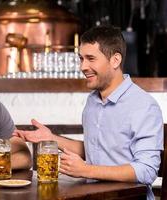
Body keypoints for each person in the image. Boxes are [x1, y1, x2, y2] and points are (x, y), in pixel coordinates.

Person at [13, 25, 163, 200]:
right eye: (81, 58)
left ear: (115, 60)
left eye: (91, 58)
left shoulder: (143, 106)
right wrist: (51, 138)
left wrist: (86, 170)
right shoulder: (93, 100)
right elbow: (97, 150)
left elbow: (146, 171)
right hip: (94, 195)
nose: (83, 66)